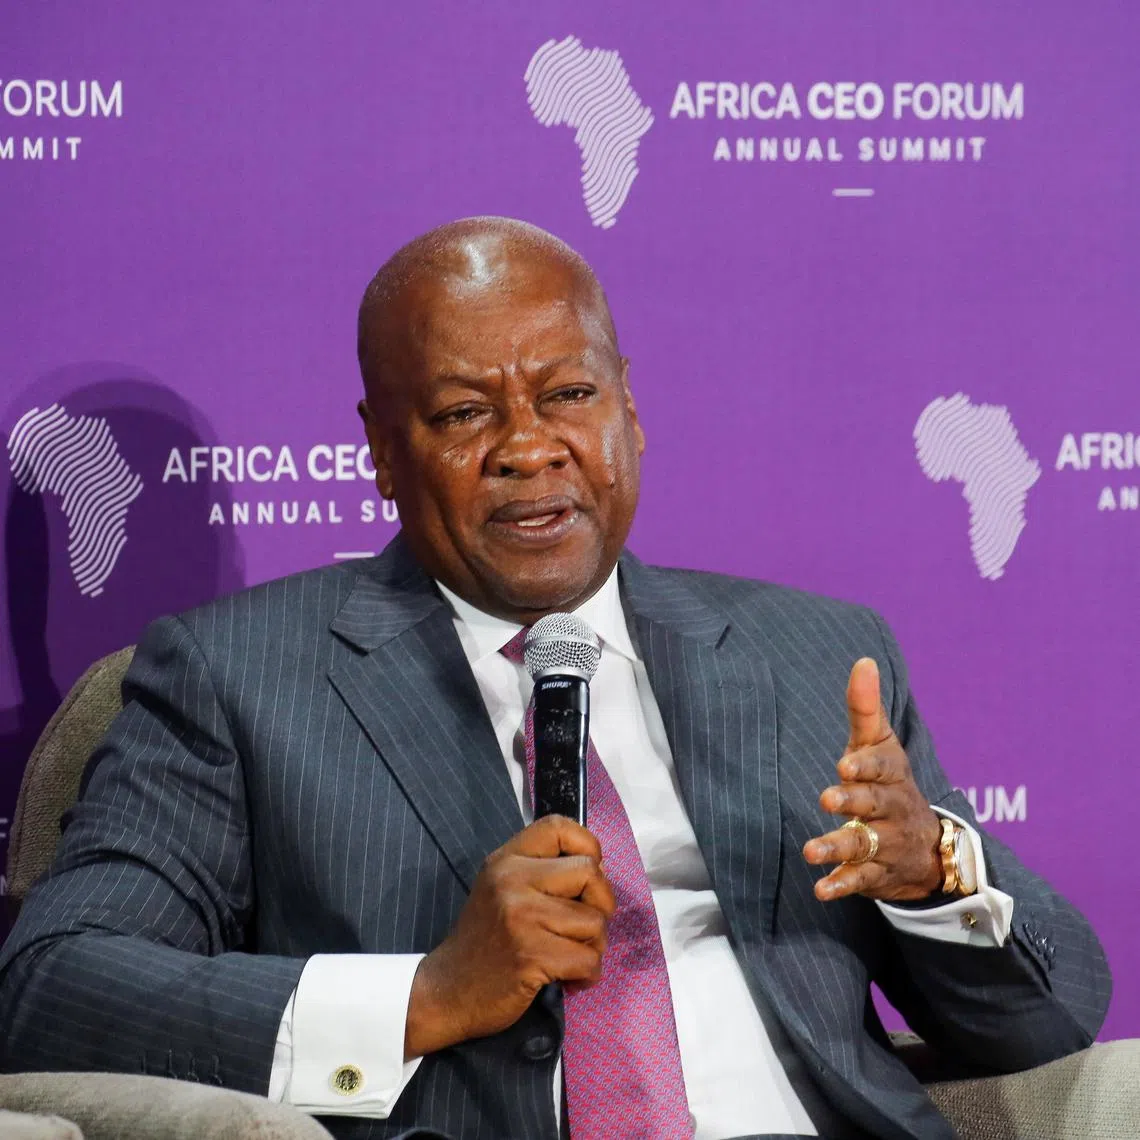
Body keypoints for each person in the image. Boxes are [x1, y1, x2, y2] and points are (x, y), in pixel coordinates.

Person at [0, 217, 1111, 1140]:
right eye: (463, 413)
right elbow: (50, 988)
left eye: (568, 395)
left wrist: (935, 880)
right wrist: (428, 995)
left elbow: (1048, 1023)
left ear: (628, 408)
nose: (528, 447)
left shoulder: (809, 655)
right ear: (382, 449)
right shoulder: (235, 680)